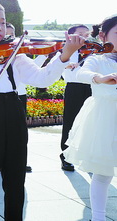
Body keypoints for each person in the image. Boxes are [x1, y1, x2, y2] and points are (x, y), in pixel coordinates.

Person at [0, 0, 85, 220]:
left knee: (15, 176)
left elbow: (42, 79)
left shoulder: (16, 55)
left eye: (2, 22)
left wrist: (64, 55)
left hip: (14, 112)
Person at [64, 14, 117, 221]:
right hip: (105, 117)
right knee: (102, 173)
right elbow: (81, 74)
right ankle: (98, 216)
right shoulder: (97, 59)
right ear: (103, 36)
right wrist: (100, 78)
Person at [59, 24, 91, 171]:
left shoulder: (93, 52)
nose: (84, 36)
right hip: (74, 87)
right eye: (80, 33)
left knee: (90, 122)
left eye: (86, 34)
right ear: (70, 36)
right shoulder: (65, 50)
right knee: (70, 121)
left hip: (91, 87)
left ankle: (88, 156)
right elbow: (58, 66)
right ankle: (65, 155)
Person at [5, 22, 33, 173]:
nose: (8, 38)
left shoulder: (21, 55)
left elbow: (35, 72)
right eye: (5, 35)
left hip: (20, 96)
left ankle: (21, 161)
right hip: (3, 97)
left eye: (11, 35)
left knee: (20, 132)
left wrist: (47, 56)